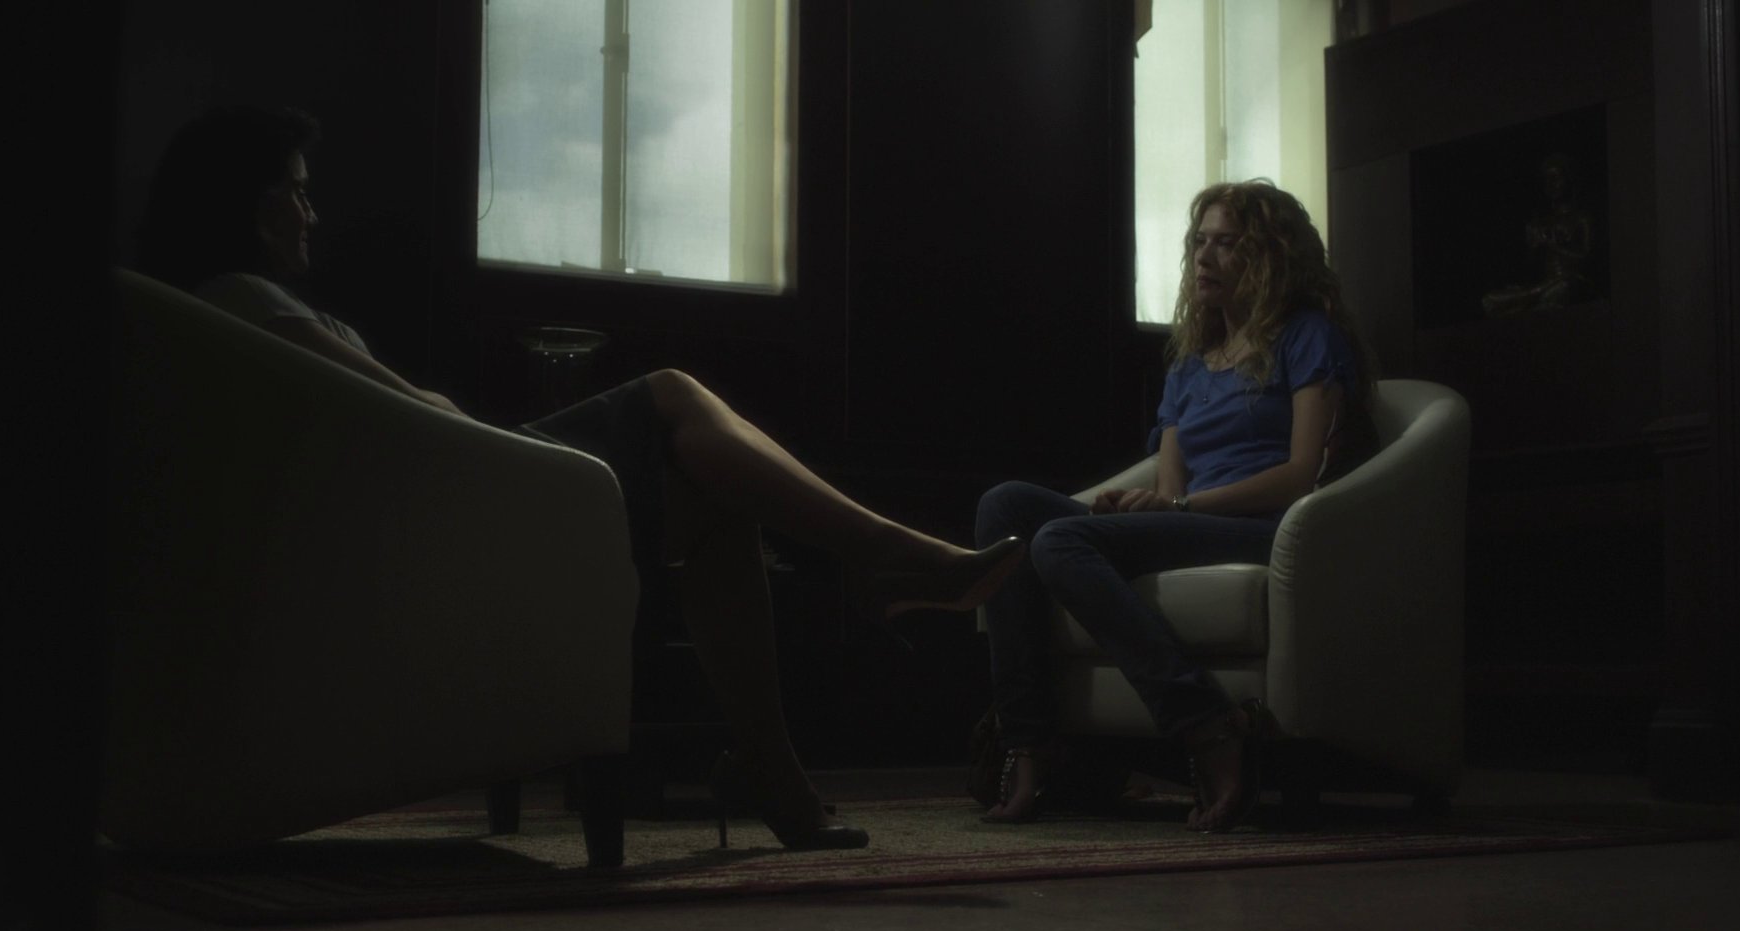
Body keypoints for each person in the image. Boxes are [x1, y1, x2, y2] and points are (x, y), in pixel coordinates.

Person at [134, 105, 1025, 852]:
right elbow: (410, 415)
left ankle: (776, 768)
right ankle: (885, 557)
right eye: (295, 190)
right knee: (674, 393)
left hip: (438, 503)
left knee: (720, 502)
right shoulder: (242, 302)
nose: (311, 212)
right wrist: (469, 422)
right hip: (449, 507)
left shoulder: (231, 315)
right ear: (247, 204)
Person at [974, 179, 1376, 833]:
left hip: (1266, 528)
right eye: (1199, 242)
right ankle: (1030, 740)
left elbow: (1302, 474)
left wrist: (1184, 507)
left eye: (1227, 243)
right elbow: (1167, 487)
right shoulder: (1191, 364)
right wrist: (1142, 504)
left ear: (1271, 256)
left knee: (1059, 542)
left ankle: (1205, 723)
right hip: (1191, 519)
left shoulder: (1308, 336)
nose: (1204, 257)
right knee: (1007, 507)